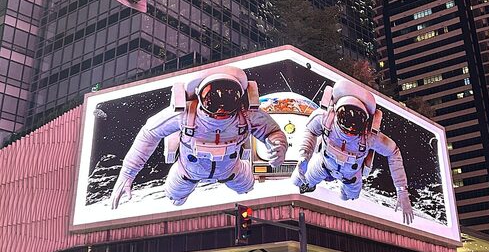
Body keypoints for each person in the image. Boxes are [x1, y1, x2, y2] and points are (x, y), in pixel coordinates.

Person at [110, 65, 287, 208]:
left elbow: (273, 132)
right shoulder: (185, 115)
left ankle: (240, 186)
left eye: (228, 99)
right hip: (188, 173)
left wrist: (278, 146)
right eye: (214, 100)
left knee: (246, 188)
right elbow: (149, 134)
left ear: (240, 99)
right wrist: (127, 173)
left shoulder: (247, 115)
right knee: (175, 197)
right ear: (201, 98)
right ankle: (180, 196)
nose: (221, 109)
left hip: (231, 171)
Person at [291, 76, 414, 225]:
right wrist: (304, 155)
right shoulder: (325, 118)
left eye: (356, 124)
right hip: (323, 165)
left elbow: (393, 152)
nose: (350, 130)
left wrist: (402, 190)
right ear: (336, 114)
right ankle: (310, 185)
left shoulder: (369, 136)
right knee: (297, 181)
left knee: (348, 197)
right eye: (346, 120)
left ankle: (344, 194)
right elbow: (310, 131)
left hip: (351, 177)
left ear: (365, 123)